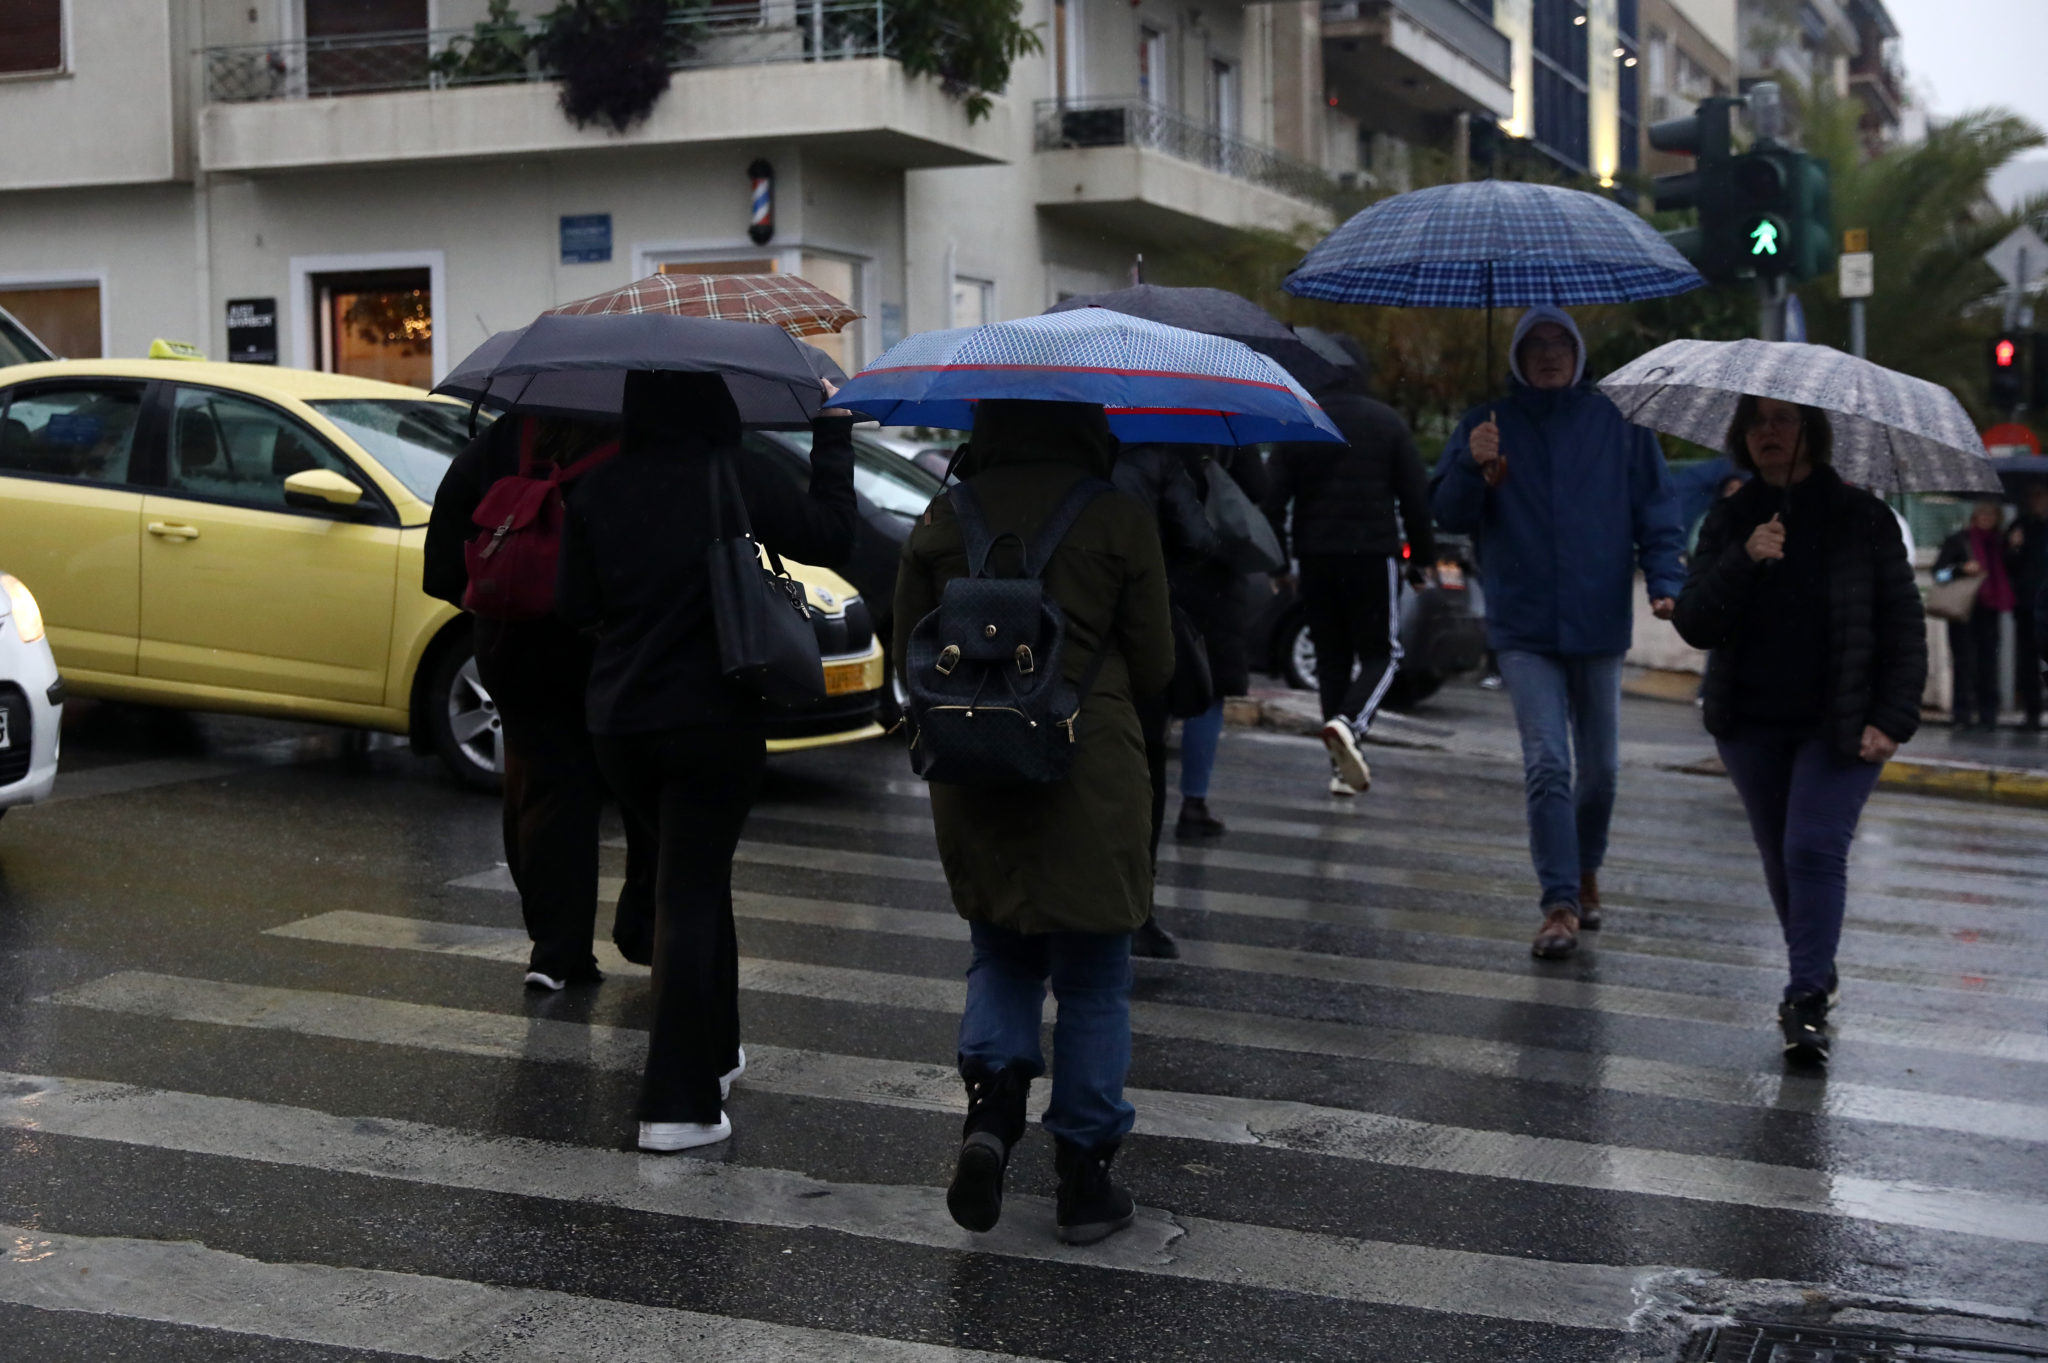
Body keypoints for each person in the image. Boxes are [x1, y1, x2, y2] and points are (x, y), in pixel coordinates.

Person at [893, 400, 1173, 1247]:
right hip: (1091, 766)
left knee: (1001, 951)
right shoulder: (1118, 514)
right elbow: (1157, 664)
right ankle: (1085, 1180)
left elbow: (909, 642)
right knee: (1092, 974)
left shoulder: (945, 513)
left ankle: (991, 1114)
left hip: (975, 760)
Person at [557, 370, 856, 1153]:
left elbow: (575, 607)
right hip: (712, 717)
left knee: (690, 878)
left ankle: (714, 1053)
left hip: (620, 722)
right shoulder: (736, 471)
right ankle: (677, 1102)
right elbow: (830, 534)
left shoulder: (597, 489)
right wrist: (833, 432)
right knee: (691, 890)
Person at [1673, 396, 1926, 1065]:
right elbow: (1696, 621)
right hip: (1751, 721)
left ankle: (1805, 994)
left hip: (1840, 722)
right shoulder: (1731, 515)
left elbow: (1903, 623)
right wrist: (1745, 557)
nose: (1768, 432)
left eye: (1782, 419)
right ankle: (1816, 965)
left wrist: (1893, 717)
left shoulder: (1862, 517)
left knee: (1814, 847)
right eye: (1756, 421)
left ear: (1812, 430)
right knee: (1782, 855)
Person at [1430, 306, 1686, 959]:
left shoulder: (1620, 424)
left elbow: (1657, 510)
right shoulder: (1487, 426)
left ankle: (1586, 864)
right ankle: (1560, 903)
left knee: (1600, 771)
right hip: (1523, 624)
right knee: (1548, 762)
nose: (1548, 355)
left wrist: (1665, 580)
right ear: (1518, 357)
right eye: (1535, 345)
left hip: (1599, 619)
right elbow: (1450, 515)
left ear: (1578, 353)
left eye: (1560, 343)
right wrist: (1470, 464)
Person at [423, 413, 655, 991]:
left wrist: (488, 598)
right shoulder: (640, 439)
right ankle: (648, 928)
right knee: (644, 786)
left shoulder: (512, 432)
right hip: (607, 642)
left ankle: (556, 951)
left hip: (512, 639)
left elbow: (448, 527)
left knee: (545, 788)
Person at [1264, 336, 1435, 796]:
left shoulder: (1299, 421)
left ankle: (1340, 767)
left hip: (1315, 556)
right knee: (1384, 652)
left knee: (1333, 657)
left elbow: (1272, 499)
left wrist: (1279, 562)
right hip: (1372, 555)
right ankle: (1350, 725)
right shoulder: (1387, 423)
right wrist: (1422, 560)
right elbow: (1416, 499)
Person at [1110, 443, 1217, 960]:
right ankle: (1136, 909)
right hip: (1138, 625)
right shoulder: (1158, 453)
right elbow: (1198, 539)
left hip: (1059, 628)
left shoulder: (1046, 435)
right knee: (1146, 766)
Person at [1171, 445, 1270, 838]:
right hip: (1215, 575)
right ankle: (1193, 803)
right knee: (1206, 692)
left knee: (1150, 683)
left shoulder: (1150, 420)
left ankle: (1139, 796)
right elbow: (1260, 488)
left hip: (1161, 569)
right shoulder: (1227, 427)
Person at [1935, 502, 2012, 731]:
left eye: (1991, 513)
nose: (1987, 518)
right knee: (1964, 662)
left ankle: (1988, 714)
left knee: (1988, 662)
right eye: (1983, 513)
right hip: (1964, 610)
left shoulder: (2000, 544)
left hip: (1989, 610)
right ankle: (1962, 714)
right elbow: (1939, 573)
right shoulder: (1958, 540)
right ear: (1974, 516)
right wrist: (1961, 569)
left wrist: (2015, 549)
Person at [2006, 484, 2048, 729]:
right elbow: (2008, 565)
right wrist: (2013, 546)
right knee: (2027, 660)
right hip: (2027, 604)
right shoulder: (2021, 526)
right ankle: (2032, 712)